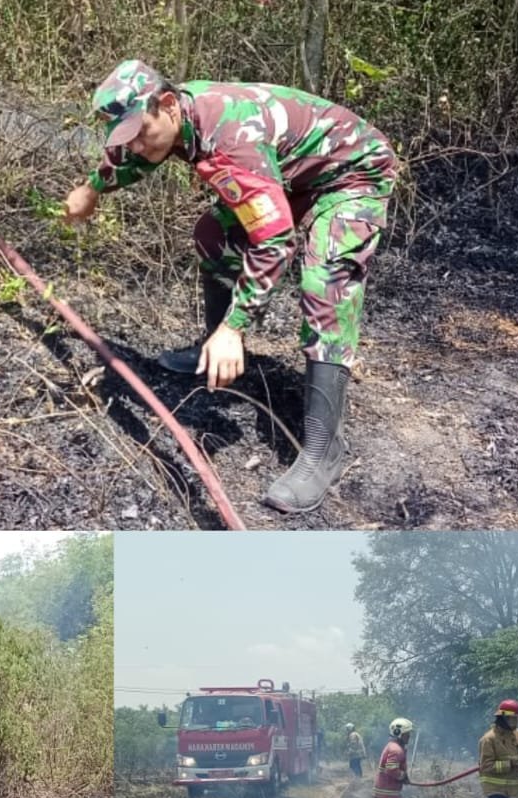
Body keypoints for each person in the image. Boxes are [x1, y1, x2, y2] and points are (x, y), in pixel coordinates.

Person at [63, 60, 399, 512]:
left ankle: (325, 452)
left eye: (142, 132)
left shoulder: (229, 141)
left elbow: (274, 241)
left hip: (350, 172)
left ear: (167, 105)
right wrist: (93, 187)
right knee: (214, 236)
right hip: (295, 171)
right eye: (128, 138)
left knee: (326, 282)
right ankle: (213, 353)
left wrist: (235, 327)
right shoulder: (175, 116)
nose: (138, 146)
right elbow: (133, 149)